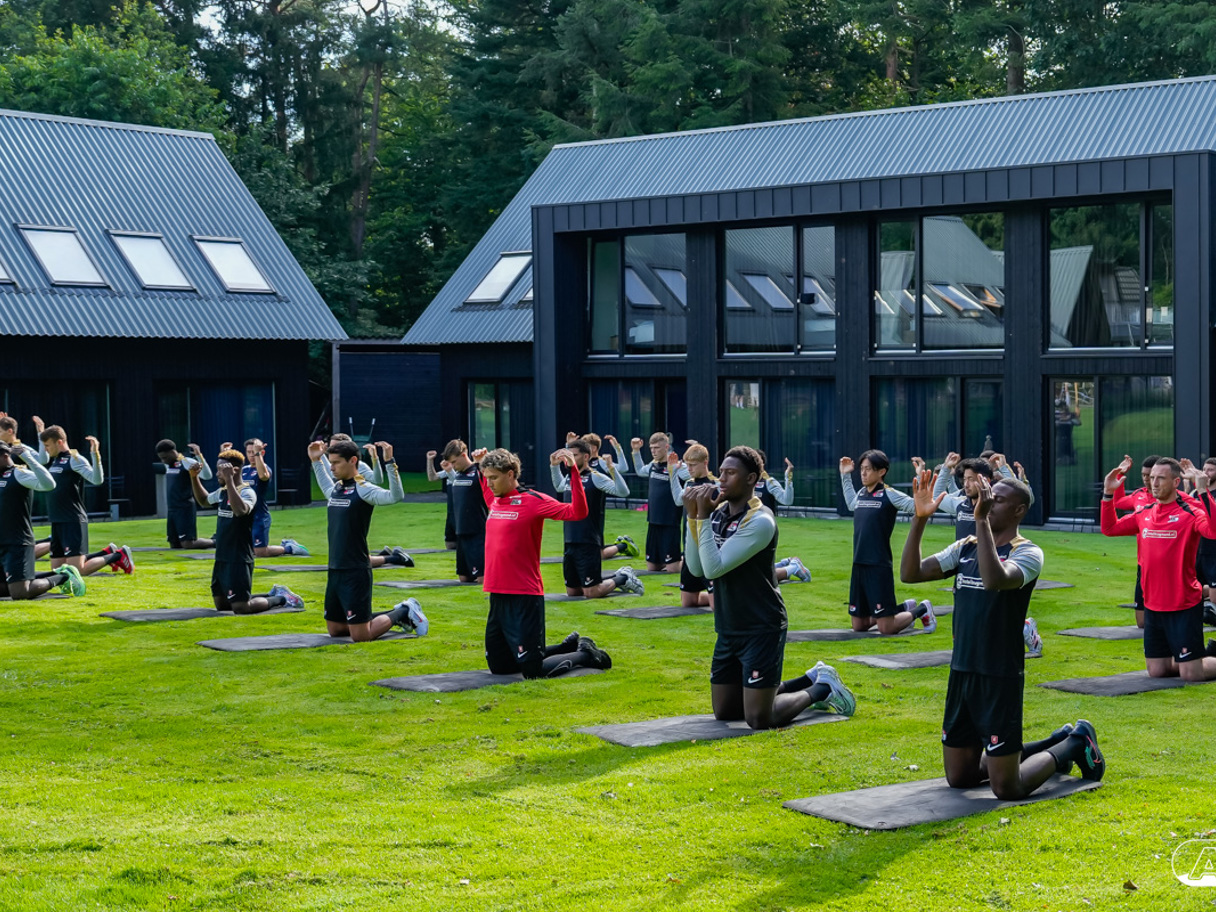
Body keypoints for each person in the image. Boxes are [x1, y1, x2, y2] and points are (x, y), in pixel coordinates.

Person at [900, 468, 1104, 798]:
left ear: (1018, 510)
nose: (987, 502)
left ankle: (1075, 743)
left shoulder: (1028, 552)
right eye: (987, 497)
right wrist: (920, 519)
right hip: (962, 670)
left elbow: (995, 580)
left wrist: (980, 520)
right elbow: (910, 574)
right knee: (960, 777)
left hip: (999, 674)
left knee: (1008, 788)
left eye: (997, 499)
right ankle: (1054, 741)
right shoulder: (965, 546)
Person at [683, 445, 856, 730]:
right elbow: (696, 568)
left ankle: (822, 689)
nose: (721, 479)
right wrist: (692, 517)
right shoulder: (718, 513)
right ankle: (811, 678)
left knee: (759, 718)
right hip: (729, 625)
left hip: (761, 625)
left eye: (730, 473)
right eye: (721, 472)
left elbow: (714, 568)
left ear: (751, 478)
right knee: (726, 711)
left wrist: (701, 517)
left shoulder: (760, 521)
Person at [474, 446, 612, 678]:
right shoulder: (495, 501)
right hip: (497, 593)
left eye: (494, 478)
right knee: (500, 667)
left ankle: (586, 654)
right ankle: (565, 648)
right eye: (486, 478)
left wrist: (573, 472)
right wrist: (480, 465)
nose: (489, 483)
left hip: (524, 595)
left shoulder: (534, 501)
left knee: (533, 672)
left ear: (511, 474)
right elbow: (487, 491)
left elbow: (577, 512)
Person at [1101, 456, 1216, 682]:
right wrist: (1107, 493)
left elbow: (1213, 531)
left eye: (1160, 478)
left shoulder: (1190, 512)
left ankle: (1192, 662)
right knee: (1157, 671)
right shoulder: (1145, 512)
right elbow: (1110, 528)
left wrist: (1203, 491)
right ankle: (1189, 658)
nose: (1153, 483)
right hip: (1153, 604)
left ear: (1175, 482)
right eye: (1152, 477)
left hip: (1183, 604)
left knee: (1191, 675)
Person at [309, 439, 427, 641]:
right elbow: (323, 480)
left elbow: (395, 496)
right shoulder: (336, 489)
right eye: (330, 462)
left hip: (356, 570)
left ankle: (404, 611)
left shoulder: (364, 489)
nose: (332, 467)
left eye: (336, 462)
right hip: (335, 568)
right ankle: (390, 613)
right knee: (336, 630)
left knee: (360, 636)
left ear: (353, 461)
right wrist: (315, 461)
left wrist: (390, 463)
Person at [932, 456, 1042, 655]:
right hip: (966, 564)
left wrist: (1005, 469)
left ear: (985, 481)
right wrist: (946, 469)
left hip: (994, 561)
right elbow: (937, 497)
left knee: (997, 618)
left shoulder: (996, 506)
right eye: (964, 479)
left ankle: (1023, 627)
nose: (967, 484)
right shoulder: (959, 503)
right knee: (966, 622)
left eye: (972, 479)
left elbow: (1024, 496)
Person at [190, 448, 303, 614]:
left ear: (234, 471)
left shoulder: (248, 492)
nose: (217, 474)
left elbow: (240, 511)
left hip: (239, 558)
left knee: (241, 608)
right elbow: (204, 501)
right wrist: (194, 477)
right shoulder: (222, 492)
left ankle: (282, 598)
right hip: (222, 557)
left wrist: (229, 481)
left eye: (220, 470)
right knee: (222, 605)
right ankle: (271, 594)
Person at [839, 450, 935, 634]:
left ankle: (922, 609)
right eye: (861, 469)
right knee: (859, 626)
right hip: (858, 564)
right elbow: (851, 504)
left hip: (878, 565)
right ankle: (901, 608)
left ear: (881, 471)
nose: (863, 473)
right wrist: (845, 476)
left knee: (886, 628)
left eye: (868, 469)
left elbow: (917, 506)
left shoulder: (890, 494)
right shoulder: (861, 493)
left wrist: (920, 478)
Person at [31, 419, 132, 576]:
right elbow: (41, 459)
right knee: (58, 571)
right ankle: (106, 552)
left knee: (78, 570)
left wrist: (95, 454)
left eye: (47, 445)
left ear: (59, 442)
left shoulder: (75, 459)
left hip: (73, 520)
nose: (45, 449)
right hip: (57, 520)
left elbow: (97, 480)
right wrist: (40, 431)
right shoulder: (55, 460)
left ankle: (118, 555)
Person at [551, 438, 642, 598]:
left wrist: (612, 469)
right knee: (573, 592)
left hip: (589, 541)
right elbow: (559, 487)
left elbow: (623, 492)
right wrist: (554, 466)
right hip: (570, 540)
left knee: (592, 592)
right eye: (569, 456)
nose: (570, 459)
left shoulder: (596, 477)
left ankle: (623, 577)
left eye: (574, 455)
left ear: (586, 457)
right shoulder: (570, 477)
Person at [0, 441, 85, 600]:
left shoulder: (19, 474)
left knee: (21, 593)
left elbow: (49, 484)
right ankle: (52, 574)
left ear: (5, 456)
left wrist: (28, 458)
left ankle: (64, 576)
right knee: (11, 588)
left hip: (17, 543)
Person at [225, 438, 310, 558]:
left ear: (262, 453)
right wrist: (226, 455)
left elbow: (263, 476)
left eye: (254, 452)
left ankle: (289, 547)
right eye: (249, 452)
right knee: (240, 548)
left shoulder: (265, 468)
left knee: (261, 552)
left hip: (259, 515)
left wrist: (258, 454)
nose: (251, 455)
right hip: (244, 514)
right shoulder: (244, 470)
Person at [1111, 454, 1161, 629]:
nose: (1146, 479)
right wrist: (1120, 476)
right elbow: (1118, 502)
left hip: (1164, 562)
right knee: (1142, 623)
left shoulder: (1171, 497)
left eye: (1150, 475)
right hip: (1143, 562)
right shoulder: (1139, 495)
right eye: (1143, 475)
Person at [631, 432, 689, 572]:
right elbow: (640, 471)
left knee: (673, 569)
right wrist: (636, 451)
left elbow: (695, 475)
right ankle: (674, 559)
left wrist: (694, 454)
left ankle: (692, 562)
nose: (653, 451)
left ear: (666, 447)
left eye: (657, 448)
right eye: (651, 448)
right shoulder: (653, 465)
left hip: (670, 522)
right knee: (652, 568)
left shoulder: (677, 466)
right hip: (653, 521)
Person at [578, 433, 638, 560]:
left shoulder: (601, 462)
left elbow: (623, 468)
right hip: (581, 506)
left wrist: (617, 447)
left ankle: (623, 545)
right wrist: (568, 445)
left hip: (596, 507)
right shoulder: (581, 464)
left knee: (596, 554)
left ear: (593, 448)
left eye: (585, 446)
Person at [438, 439, 488, 582]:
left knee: (482, 579)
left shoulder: (478, 472)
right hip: (461, 532)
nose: (453, 466)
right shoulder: (457, 475)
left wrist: (482, 461)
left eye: (454, 462)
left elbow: (490, 479)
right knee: (464, 579)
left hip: (478, 533)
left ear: (463, 455)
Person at [155, 439, 215, 549]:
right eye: (161, 458)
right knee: (174, 544)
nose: (163, 461)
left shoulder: (187, 462)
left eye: (165, 457)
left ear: (172, 452)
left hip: (184, 507)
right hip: (172, 509)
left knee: (188, 544)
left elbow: (207, 476)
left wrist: (199, 457)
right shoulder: (169, 465)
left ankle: (216, 541)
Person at [426, 449, 458, 550]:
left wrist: (449, 471)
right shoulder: (449, 471)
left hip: (463, 516)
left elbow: (459, 484)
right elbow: (432, 477)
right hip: (451, 515)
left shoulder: (466, 472)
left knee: (464, 546)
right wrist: (430, 461)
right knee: (450, 545)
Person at [1198, 457, 1216, 627]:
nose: (1206, 473)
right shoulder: (1196, 493)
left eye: (1210, 470)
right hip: (1198, 549)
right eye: (1204, 469)